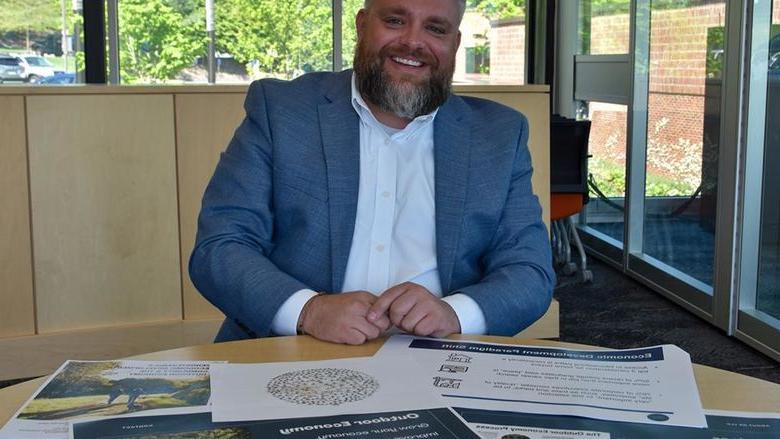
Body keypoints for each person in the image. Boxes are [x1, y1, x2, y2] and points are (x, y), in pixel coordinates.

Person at [190, 0, 555, 345]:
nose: (413, 41)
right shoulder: (281, 111)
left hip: (441, 359)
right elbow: (221, 246)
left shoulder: (499, 135)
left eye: (436, 28)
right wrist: (308, 310)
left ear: (455, 43)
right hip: (292, 350)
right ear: (362, 25)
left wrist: (454, 314)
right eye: (395, 20)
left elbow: (529, 271)